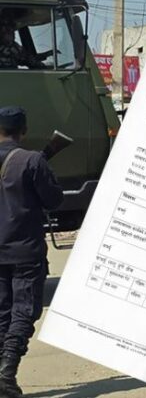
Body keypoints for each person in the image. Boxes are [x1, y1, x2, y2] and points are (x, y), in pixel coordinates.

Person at [0, 106, 63, 397]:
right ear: (23, 131)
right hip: (25, 251)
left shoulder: (31, 160)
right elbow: (54, 200)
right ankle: (6, 374)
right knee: (24, 312)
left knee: (3, 313)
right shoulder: (32, 160)